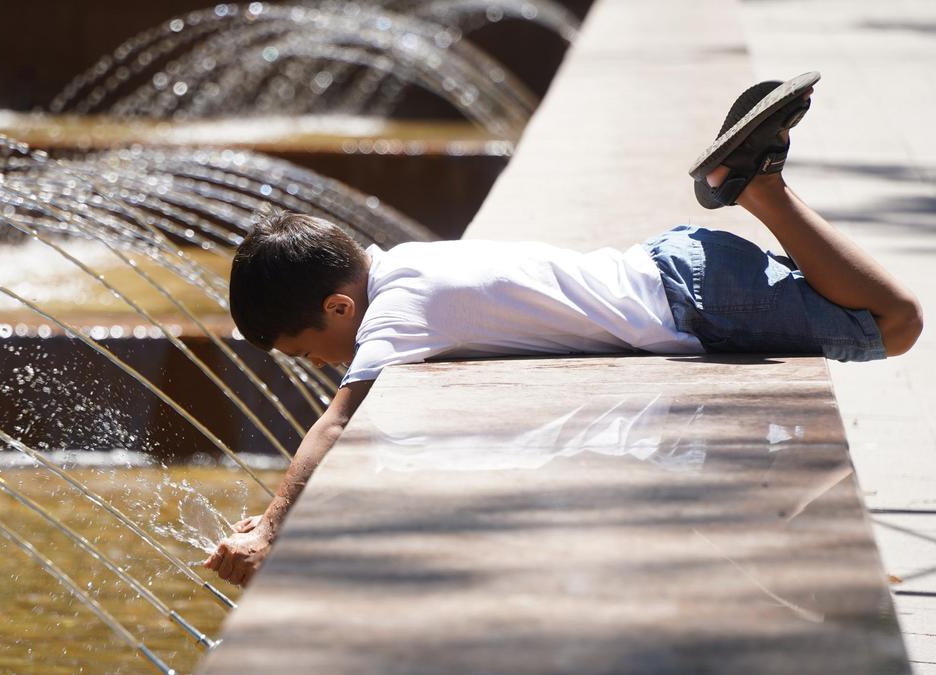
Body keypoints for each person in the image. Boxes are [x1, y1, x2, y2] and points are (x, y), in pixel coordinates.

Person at [203, 72, 923, 587]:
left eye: (312, 351)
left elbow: (337, 424)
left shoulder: (394, 311)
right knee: (869, 322)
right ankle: (750, 182)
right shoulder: (403, 265)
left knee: (897, 323)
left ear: (338, 307)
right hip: (679, 268)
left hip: (699, 303)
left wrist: (271, 526)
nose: (330, 365)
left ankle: (760, 184)